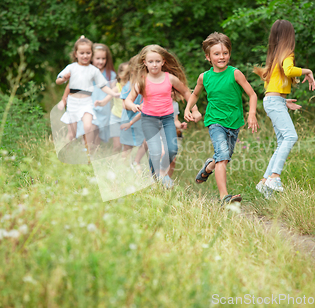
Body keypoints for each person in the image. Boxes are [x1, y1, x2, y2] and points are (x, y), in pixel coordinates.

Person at [184, 32, 259, 205]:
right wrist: (188, 108)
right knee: (223, 156)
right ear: (208, 57)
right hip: (215, 121)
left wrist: (252, 113)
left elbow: (252, 94)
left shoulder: (235, 74)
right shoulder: (205, 77)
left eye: (225, 53)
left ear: (229, 54)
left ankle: (208, 167)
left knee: (223, 158)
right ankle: (224, 197)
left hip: (234, 122)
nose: (221, 57)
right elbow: (195, 94)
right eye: (216, 54)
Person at [253, 19, 315, 197]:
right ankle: (274, 176)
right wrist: (308, 71)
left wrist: (283, 101)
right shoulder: (287, 53)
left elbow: (273, 85)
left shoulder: (275, 55)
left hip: (274, 101)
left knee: (283, 141)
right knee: (291, 136)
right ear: (290, 35)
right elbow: (289, 71)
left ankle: (265, 181)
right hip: (274, 102)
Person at [125, 45, 202, 186]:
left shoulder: (170, 78)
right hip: (149, 120)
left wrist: (194, 110)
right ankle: (157, 179)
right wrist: (134, 106)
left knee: (172, 149)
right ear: (145, 63)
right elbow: (127, 101)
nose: (154, 65)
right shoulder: (141, 81)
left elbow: (186, 92)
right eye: (151, 62)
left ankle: (160, 175)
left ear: (163, 62)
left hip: (167, 120)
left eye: (157, 61)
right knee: (155, 151)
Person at [56, 36, 120, 153]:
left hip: (94, 105)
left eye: (88, 53)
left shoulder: (98, 72)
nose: (85, 56)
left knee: (93, 130)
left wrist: (113, 94)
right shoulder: (74, 68)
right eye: (82, 53)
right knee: (77, 132)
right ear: (76, 54)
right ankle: (70, 151)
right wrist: (63, 98)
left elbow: (105, 86)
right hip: (79, 103)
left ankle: (90, 153)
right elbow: (64, 83)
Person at [95, 61, 127, 153]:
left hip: (128, 120)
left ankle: (125, 163)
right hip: (116, 118)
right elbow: (106, 100)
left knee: (127, 146)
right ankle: (113, 163)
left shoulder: (135, 87)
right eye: (127, 72)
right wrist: (100, 102)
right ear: (120, 75)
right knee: (117, 146)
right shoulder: (117, 87)